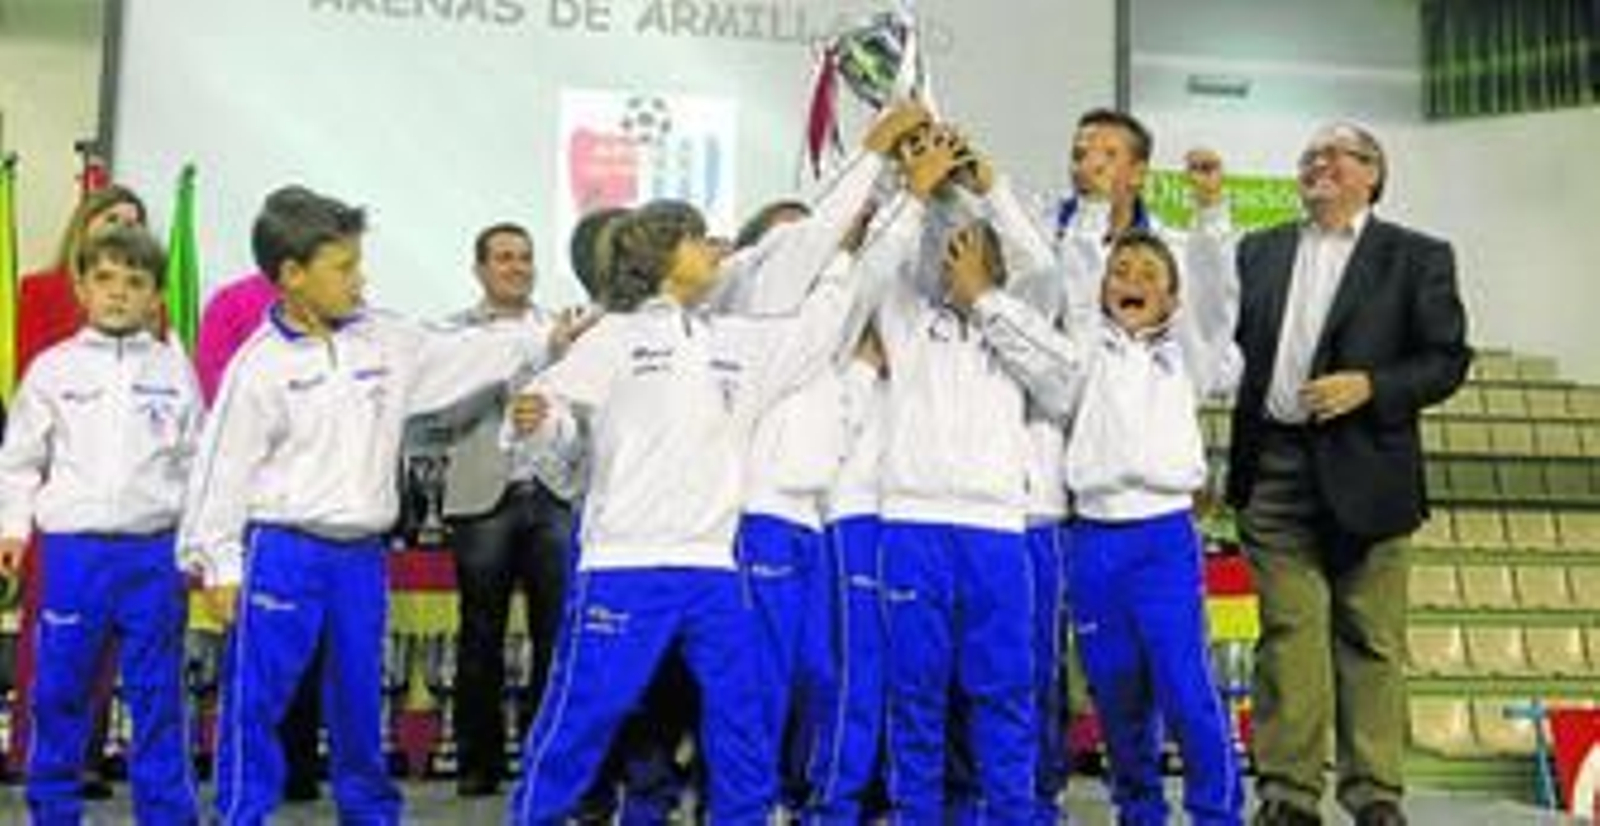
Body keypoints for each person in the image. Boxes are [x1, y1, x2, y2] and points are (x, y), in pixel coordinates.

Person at [502, 105, 914, 821]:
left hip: (713, 569)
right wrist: (545, 426)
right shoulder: (617, 337)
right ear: (663, 257)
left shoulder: (733, 343)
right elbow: (556, 433)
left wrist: (861, 226)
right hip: (625, 564)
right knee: (583, 718)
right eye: (696, 237)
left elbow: (820, 326)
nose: (713, 245)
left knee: (743, 721)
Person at [177, 185, 567, 824]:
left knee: (359, 700)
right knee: (258, 700)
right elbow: (221, 472)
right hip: (283, 549)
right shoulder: (259, 366)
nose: (361, 278)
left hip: (360, 557)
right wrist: (217, 563)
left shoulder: (387, 338)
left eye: (359, 262)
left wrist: (549, 339)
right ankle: (242, 812)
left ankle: (372, 814)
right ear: (292, 276)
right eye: (345, 267)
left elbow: (465, 353)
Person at [1227, 123, 1470, 826]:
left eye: (1337, 154)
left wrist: (1372, 385)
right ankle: (1287, 794)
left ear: (1373, 174)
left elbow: (1447, 358)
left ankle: (1374, 795)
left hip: (1370, 471)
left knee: (1369, 637)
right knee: (1288, 632)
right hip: (1273, 464)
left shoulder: (1418, 256)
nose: (1318, 163)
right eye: (1309, 155)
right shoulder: (1260, 250)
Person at [964, 227, 1246, 825]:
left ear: (1172, 299)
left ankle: (1216, 810)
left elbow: (1220, 296)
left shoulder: (1189, 353)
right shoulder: (1085, 348)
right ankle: (1138, 810)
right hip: (1093, 541)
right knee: (1116, 691)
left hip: (1164, 540)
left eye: (1149, 275)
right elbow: (1076, 268)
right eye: (1122, 272)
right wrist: (1091, 224)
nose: (1133, 282)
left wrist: (1213, 215)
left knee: (1183, 681)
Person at [0, 225, 201, 824]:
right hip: (73, 555)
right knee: (60, 689)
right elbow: (19, 461)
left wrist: (197, 544)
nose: (118, 293)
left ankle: (166, 812)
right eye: (105, 279)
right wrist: (12, 531)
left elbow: (197, 465)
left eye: (135, 282)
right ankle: (53, 809)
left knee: (157, 692)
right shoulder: (52, 370)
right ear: (82, 288)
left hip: (153, 554)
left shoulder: (173, 370)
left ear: (156, 297)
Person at [423, 222, 577, 797]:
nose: (516, 267)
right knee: (480, 634)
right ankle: (477, 763)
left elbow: (584, 408)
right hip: (483, 497)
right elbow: (434, 416)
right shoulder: (451, 335)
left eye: (525, 258)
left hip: (552, 491)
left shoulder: (560, 331)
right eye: (504, 258)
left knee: (554, 633)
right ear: (480, 269)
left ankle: (544, 760)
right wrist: (493, 388)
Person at [8, 184, 149, 793]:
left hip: (127, 502)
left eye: (135, 222)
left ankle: (89, 753)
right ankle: (33, 755)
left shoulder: (149, 309)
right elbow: (28, 397)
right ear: (85, 225)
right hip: (57, 495)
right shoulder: (40, 291)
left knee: (110, 641)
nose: (122, 227)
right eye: (112, 218)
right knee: (54, 638)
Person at [193, 268, 327, 802]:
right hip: (253, 499)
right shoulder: (230, 303)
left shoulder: (331, 296)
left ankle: (299, 764)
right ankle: (247, 777)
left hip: (314, 498)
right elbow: (215, 390)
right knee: (256, 647)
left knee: (310, 641)